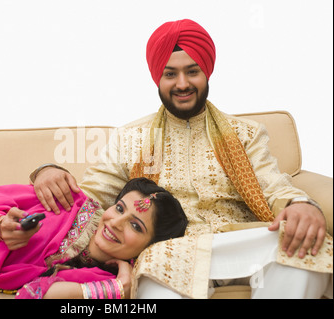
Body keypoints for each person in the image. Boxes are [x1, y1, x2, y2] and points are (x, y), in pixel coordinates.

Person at [31, 19, 332, 298]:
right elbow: (90, 197)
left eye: (192, 71)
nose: (183, 84)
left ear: (206, 72)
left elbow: (274, 185)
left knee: (306, 250)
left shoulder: (246, 133)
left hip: (241, 244)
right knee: (151, 276)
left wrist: (300, 205)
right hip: (171, 256)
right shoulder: (129, 138)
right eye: (170, 74)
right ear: (157, 78)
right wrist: (46, 170)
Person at [0, 177, 187, 299]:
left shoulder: (94, 276)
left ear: (149, 246)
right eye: (119, 208)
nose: (116, 222)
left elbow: (34, 293)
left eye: (136, 226)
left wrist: (116, 288)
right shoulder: (69, 201)